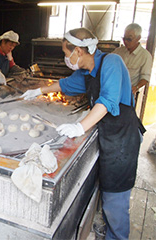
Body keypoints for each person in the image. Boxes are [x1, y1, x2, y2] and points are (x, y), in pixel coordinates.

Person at [20, 27, 145, 240]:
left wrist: (79, 126)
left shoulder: (112, 63)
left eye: (66, 53)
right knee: (107, 189)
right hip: (108, 134)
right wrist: (38, 91)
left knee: (116, 196)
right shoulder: (87, 72)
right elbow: (66, 84)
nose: (65, 58)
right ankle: (109, 228)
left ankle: (117, 236)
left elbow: (108, 101)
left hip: (123, 138)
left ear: (78, 51)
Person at [113, 23, 152, 95]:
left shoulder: (145, 56)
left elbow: (145, 78)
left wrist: (136, 87)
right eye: (124, 39)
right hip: (113, 90)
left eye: (129, 39)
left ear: (138, 38)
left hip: (128, 93)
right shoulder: (118, 52)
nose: (126, 42)